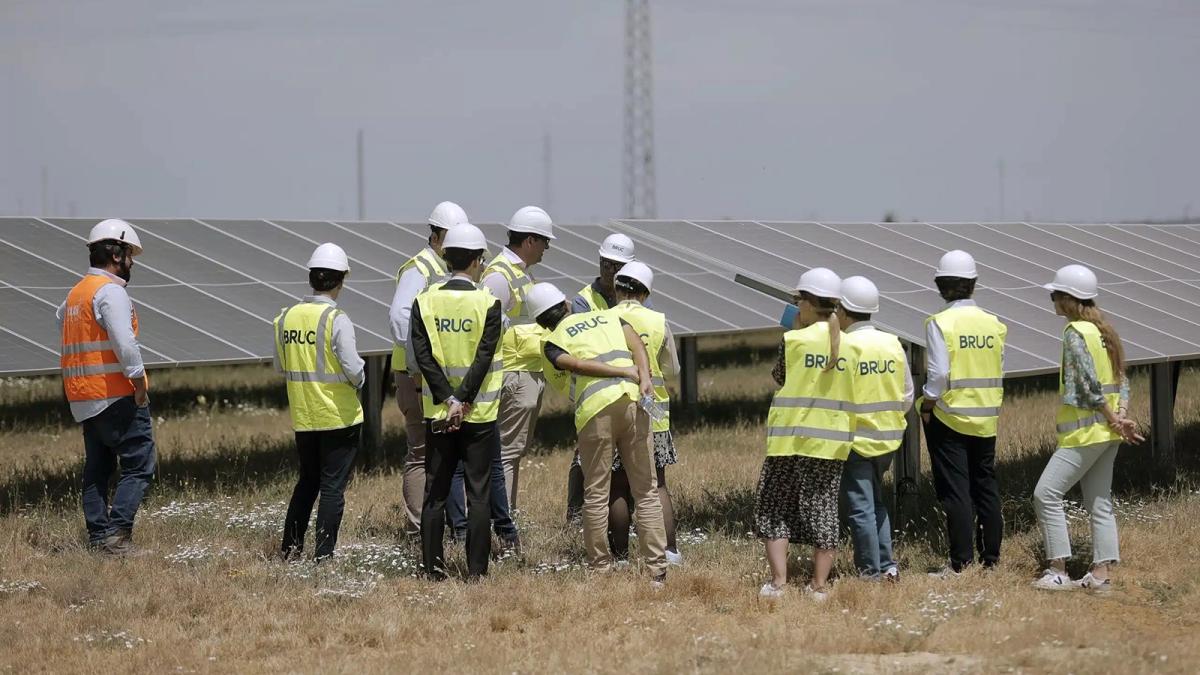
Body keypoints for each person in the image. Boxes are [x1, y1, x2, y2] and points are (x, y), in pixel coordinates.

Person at [525, 282, 669, 587]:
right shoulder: (607, 316)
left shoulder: (551, 342)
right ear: (565, 304)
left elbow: (576, 365)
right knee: (645, 489)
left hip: (595, 413)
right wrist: (642, 378)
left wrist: (623, 373)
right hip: (633, 402)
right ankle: (657, 569)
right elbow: (637, 346)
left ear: (540, 322)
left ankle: (600, 568)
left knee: (596, 493)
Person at [1032, 265, 1143, 592]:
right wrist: (1120, 417)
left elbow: (1088, 386)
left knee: (1045, 494)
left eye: (1055, 294)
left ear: (1069, 299)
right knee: (1099, 502)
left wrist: (1112, 418)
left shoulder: (1075, 333)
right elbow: (1122, 380)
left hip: (1085, 434)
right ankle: (1100, 575)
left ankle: (1058, 570)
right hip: (1108, 435)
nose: (1051, 300)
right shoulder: (1104, 331)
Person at [410, 224, 504, 580]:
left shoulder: (425, 301)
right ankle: (477, 572)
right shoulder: (488, 303)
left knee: (435, 491)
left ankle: (432, 570)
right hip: (477, 414)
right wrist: (462, 401)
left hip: (438, 412)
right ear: (478, 260)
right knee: (478, 492)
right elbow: (483, 358)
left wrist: (447, 399)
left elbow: (422, 356)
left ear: (446, 256)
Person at [58, 219, 156, 555]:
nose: (131, 263)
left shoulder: (75, 293)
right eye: (129, 255)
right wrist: (138, 382)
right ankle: (117, 536)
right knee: (140, 463)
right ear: (116, 254)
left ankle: (99, 538)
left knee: (97, 469)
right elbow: (125, 343)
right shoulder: (110, 292)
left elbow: (61, 321)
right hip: (113, 394)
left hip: (83, 395)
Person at [756, 268, 852, 602]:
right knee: (823, 508)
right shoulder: (849, 345)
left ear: (809, 303)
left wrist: (797, 331)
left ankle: (779, 583)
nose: (797, 304)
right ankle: (819, 586)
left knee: (774, 506)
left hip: (789, 439)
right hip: (830, 441)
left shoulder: (793, 340)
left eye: (799, 299)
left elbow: (779, 377)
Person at [919, 250, 1007, 576]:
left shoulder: (940, 323)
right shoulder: (994, 324)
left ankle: (961, 564)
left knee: (957, 491)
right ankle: (992, 560)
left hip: (950, 416)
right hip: (986, 417)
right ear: (973, 284)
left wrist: (927, 403)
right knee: (986, 486)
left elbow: (939, 374)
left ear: (941, 285)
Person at [276, 243, 365, 561]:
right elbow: (354, 368)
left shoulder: (286, 318)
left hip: (304, 416)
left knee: (307, 483)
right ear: (341, 280)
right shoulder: (336, 319)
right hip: (338, 418)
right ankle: (323, 556)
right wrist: (360, 380)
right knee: (331, 488)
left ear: (311, 278)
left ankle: (290, 551)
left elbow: (280, 365)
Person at [388, 201, 468, 536]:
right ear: (435, 236)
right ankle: (418, 528)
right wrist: (423, 362)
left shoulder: (447, 268)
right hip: (416, 376)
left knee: (446, 453)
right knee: (421, 453)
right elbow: (399, 317)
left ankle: (442, 523)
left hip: (439, 377)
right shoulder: (419, 269)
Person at [479, 205, 555, 537]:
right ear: (528, 240)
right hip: (512, 374)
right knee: (507, 453)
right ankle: (503, 527)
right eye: (543, 241)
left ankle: (503, 521)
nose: (546, 248)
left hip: (524, 372)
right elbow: (487, 327)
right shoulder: (499, 276)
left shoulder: (520, 274)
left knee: (512, 452)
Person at [605, 261, 684, 566]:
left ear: (617, 287)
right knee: (656, 484)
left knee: (619, 485)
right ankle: (670, 552)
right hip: (654, 415)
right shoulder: (658, 320)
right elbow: (672, 370)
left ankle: (621, 556)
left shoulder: (603, 320)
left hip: (615, 410)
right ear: (646, 291)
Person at [836, 276, 912, 582]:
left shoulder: (845, 345)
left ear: (842, 309)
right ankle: (888, 565)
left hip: (855, 441)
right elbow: (907, 394)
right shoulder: (892, 342)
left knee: (860, 508)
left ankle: (871, 573)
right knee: (875, 502)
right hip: (888, 438)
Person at [565, 233, 640, 523]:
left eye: (618, 266)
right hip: (595, 386)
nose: (611, 271)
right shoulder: (584, 301)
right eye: (607, 265)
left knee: (627, 454)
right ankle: (575, 512)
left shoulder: (633, 297)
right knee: (585, 452)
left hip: (626, 384)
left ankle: (623, 513)